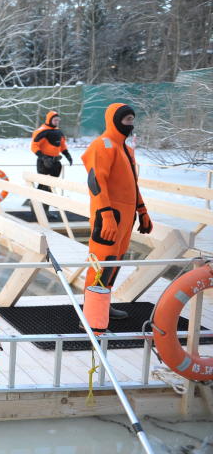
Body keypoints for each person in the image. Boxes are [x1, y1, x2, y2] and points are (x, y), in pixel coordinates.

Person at [81, 103, 152, 320]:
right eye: (126, 119)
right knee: (101, 262)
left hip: (126, 219)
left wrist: (142, 211)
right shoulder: (102, 145)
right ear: (114, 120)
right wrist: (106, 214)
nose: (130, 124)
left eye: (132, 119)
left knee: (114, 262)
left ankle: (103, 305)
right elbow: (95, 182)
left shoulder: (126, 150)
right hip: (109, 217)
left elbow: (132, 185)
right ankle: (91, 313)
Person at [30, 110, 73, 220]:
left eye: (58, 120)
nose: (57, 122)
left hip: (55, 162)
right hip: (44, 162)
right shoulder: (41, 131)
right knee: (43, 186)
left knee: (50, 186)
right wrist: (43, 157)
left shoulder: (58, 132)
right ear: (49, 119)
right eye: (55, 120)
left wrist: (68, 156)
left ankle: (45, 211)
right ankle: (35, 209)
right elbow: (34, 146)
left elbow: (62, 146)